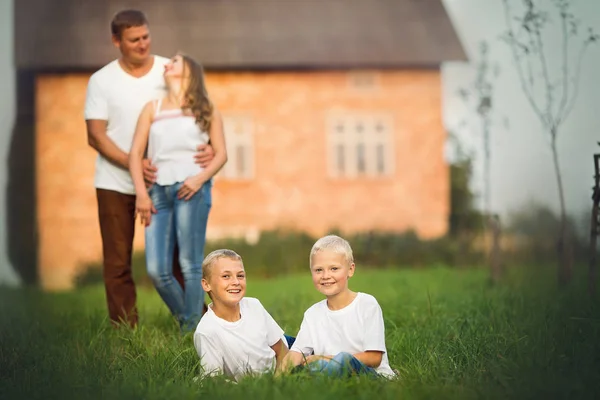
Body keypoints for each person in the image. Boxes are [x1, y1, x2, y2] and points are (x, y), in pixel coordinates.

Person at [84, 10, 215, 328]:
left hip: (164, 183)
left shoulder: (166, 69)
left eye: (146, 36)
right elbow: (95, 135)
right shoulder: (102, 81)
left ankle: (199, 325)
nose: (142, 44)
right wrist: (134, 162)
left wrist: (209, 144)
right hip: (115, 182)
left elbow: (196, 106)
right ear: (117, 41)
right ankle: (125, 331)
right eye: (133, 39)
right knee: (117, 263)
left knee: (177, 259)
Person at [129, 52, 227, 332]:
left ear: (190, 72)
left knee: (190, 264)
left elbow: (221, 154)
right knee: (157, 270)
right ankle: (196, 325)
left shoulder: (207, 108)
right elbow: (136, 153)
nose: (167, 64)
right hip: (157, 193)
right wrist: (141, 194)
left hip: (192, 191)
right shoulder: (153, 108)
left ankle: (192, 334)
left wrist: (199, 180)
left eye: (175, 61)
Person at [280, 235, 396, 378]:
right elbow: (296, 353)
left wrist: (326, 358)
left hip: (370, 375)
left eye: (334, 268)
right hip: (329, 371)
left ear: (350, 269)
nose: (325, 275)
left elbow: (374, 358)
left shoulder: (367, 304)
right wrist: (276, 382)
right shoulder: (312, 314)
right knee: (286, 344)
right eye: (318, 270)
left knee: (342, 359)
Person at [194, 249, 291, 381]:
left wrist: (277, 381)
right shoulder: (207, 332)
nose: (236, 282)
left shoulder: (253, 305)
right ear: (206, 284)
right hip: (268, 368)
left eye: (240, 275)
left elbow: (282, 351)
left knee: (321, 355)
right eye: (226, 276)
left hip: (286, 352)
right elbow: (213, 380)